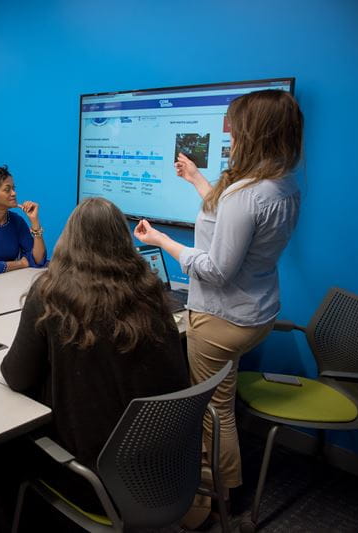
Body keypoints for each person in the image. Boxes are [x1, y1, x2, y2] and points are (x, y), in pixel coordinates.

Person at [133, 89, 303, 525]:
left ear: (255, 132)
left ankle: (216, 501)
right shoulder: (281, 186)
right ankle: (225, 493)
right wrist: (195, 179)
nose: (229, 131)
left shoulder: (245, 195)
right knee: (221, 405)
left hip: (221, 317)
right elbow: (232, 224)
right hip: (257, 311)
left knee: (213, 412)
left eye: (235, 125)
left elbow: (215, 269)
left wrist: (162, 242)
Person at [0, 197, 188, 522]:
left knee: (2, 446)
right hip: (165, 469)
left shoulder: (51, 295)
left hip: (93, 481)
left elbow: (16, 376)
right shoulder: (150, 290)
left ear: (70, 239)